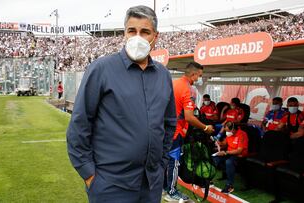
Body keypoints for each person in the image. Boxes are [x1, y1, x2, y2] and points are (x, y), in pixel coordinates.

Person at [66, 6, 176, 203]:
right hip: (110, 185)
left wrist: (161, 164)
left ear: (155, 36)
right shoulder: (102, 69)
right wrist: (90, 175)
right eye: (132, 31)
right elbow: (80, 124)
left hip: (151, 184)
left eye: (145, 32)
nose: (137, 36)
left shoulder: (163, 75)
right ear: (124, 33)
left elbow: (169, 123)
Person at [164, 62, 214, 202]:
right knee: (174, 163)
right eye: (199, 75)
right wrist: (205, 128)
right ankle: (171, 192)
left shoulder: (174, 83)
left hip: (165, 129)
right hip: (175, 131)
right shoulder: (187, 89)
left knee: (164, 160)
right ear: (194, 74)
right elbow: (189, 117)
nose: (199, 78)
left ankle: (163, 187)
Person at [212, 121, 248, 194]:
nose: (227, 133)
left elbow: (239, 150)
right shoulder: (229, 134)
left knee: (229, 162)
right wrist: (219, 143)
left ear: (233, 130)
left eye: (228, 131)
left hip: (239, 155)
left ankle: (229, 185)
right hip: (229, 153)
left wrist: (225, 152)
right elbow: (225, 144)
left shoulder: (242, 134)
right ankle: (208, 179)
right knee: (214, 158)